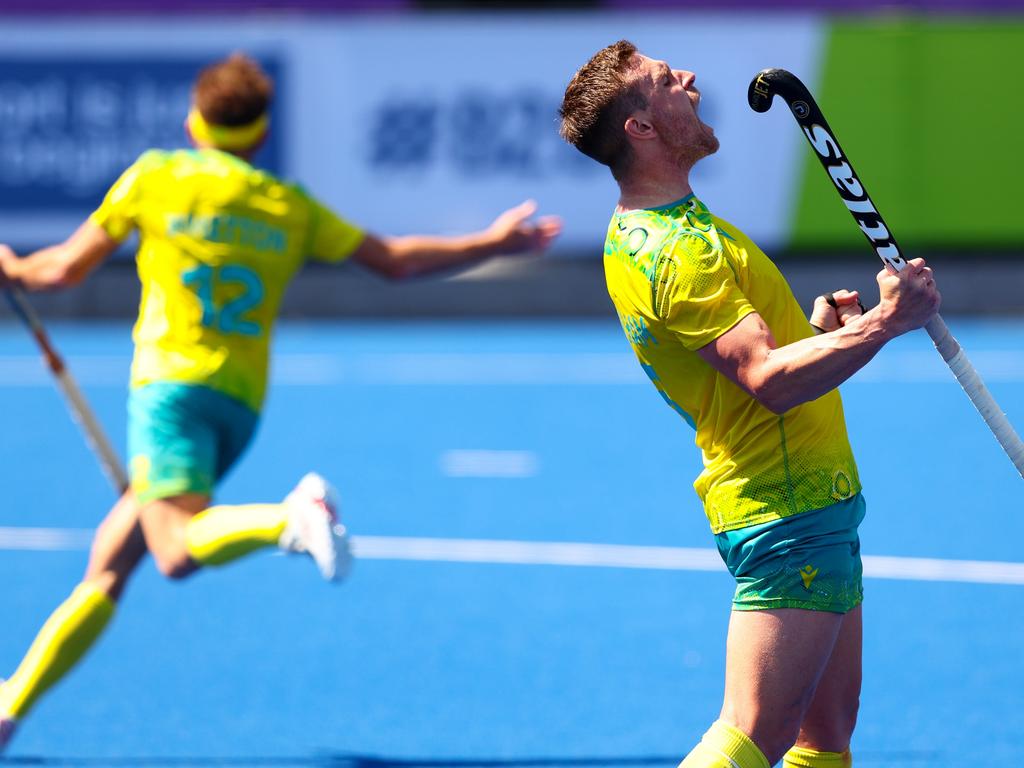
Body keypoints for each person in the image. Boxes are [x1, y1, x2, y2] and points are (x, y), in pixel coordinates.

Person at [0, 52, 561, 750]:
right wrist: (491, 240)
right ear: (261, 137)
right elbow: (394, 260)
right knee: (113, 559)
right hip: (238, 409)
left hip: (169, 393)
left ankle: (290, 519)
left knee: (172, 551)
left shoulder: (157, 176)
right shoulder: (286, 206)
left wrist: (11, 265)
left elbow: (56, 271)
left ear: (193, 123)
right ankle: (10, 708)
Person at [558, 41, 939, 768]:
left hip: (812, 495)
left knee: (822, 740)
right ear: (639, 128)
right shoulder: (681, 250)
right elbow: (768, 378)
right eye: (666, 81)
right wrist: (885, 323)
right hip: (785, 505)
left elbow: (749, 368)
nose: (689, 78)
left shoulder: (653, 232)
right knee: (752, 733)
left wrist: (827, 333)